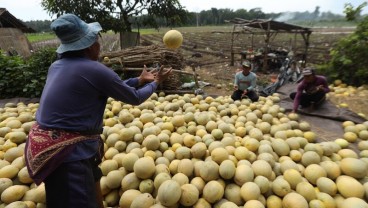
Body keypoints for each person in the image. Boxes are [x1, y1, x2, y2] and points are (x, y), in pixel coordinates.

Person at [24, 14, 172, 208]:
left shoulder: (57, 66)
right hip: (66, 153)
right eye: (96, 40)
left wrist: (139, 80)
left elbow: (106, 89)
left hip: (45, 146)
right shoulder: (94, 69)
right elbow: (134, 98)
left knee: (76, 195)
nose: (99, 45)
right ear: (88, 46)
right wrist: (156, 82)